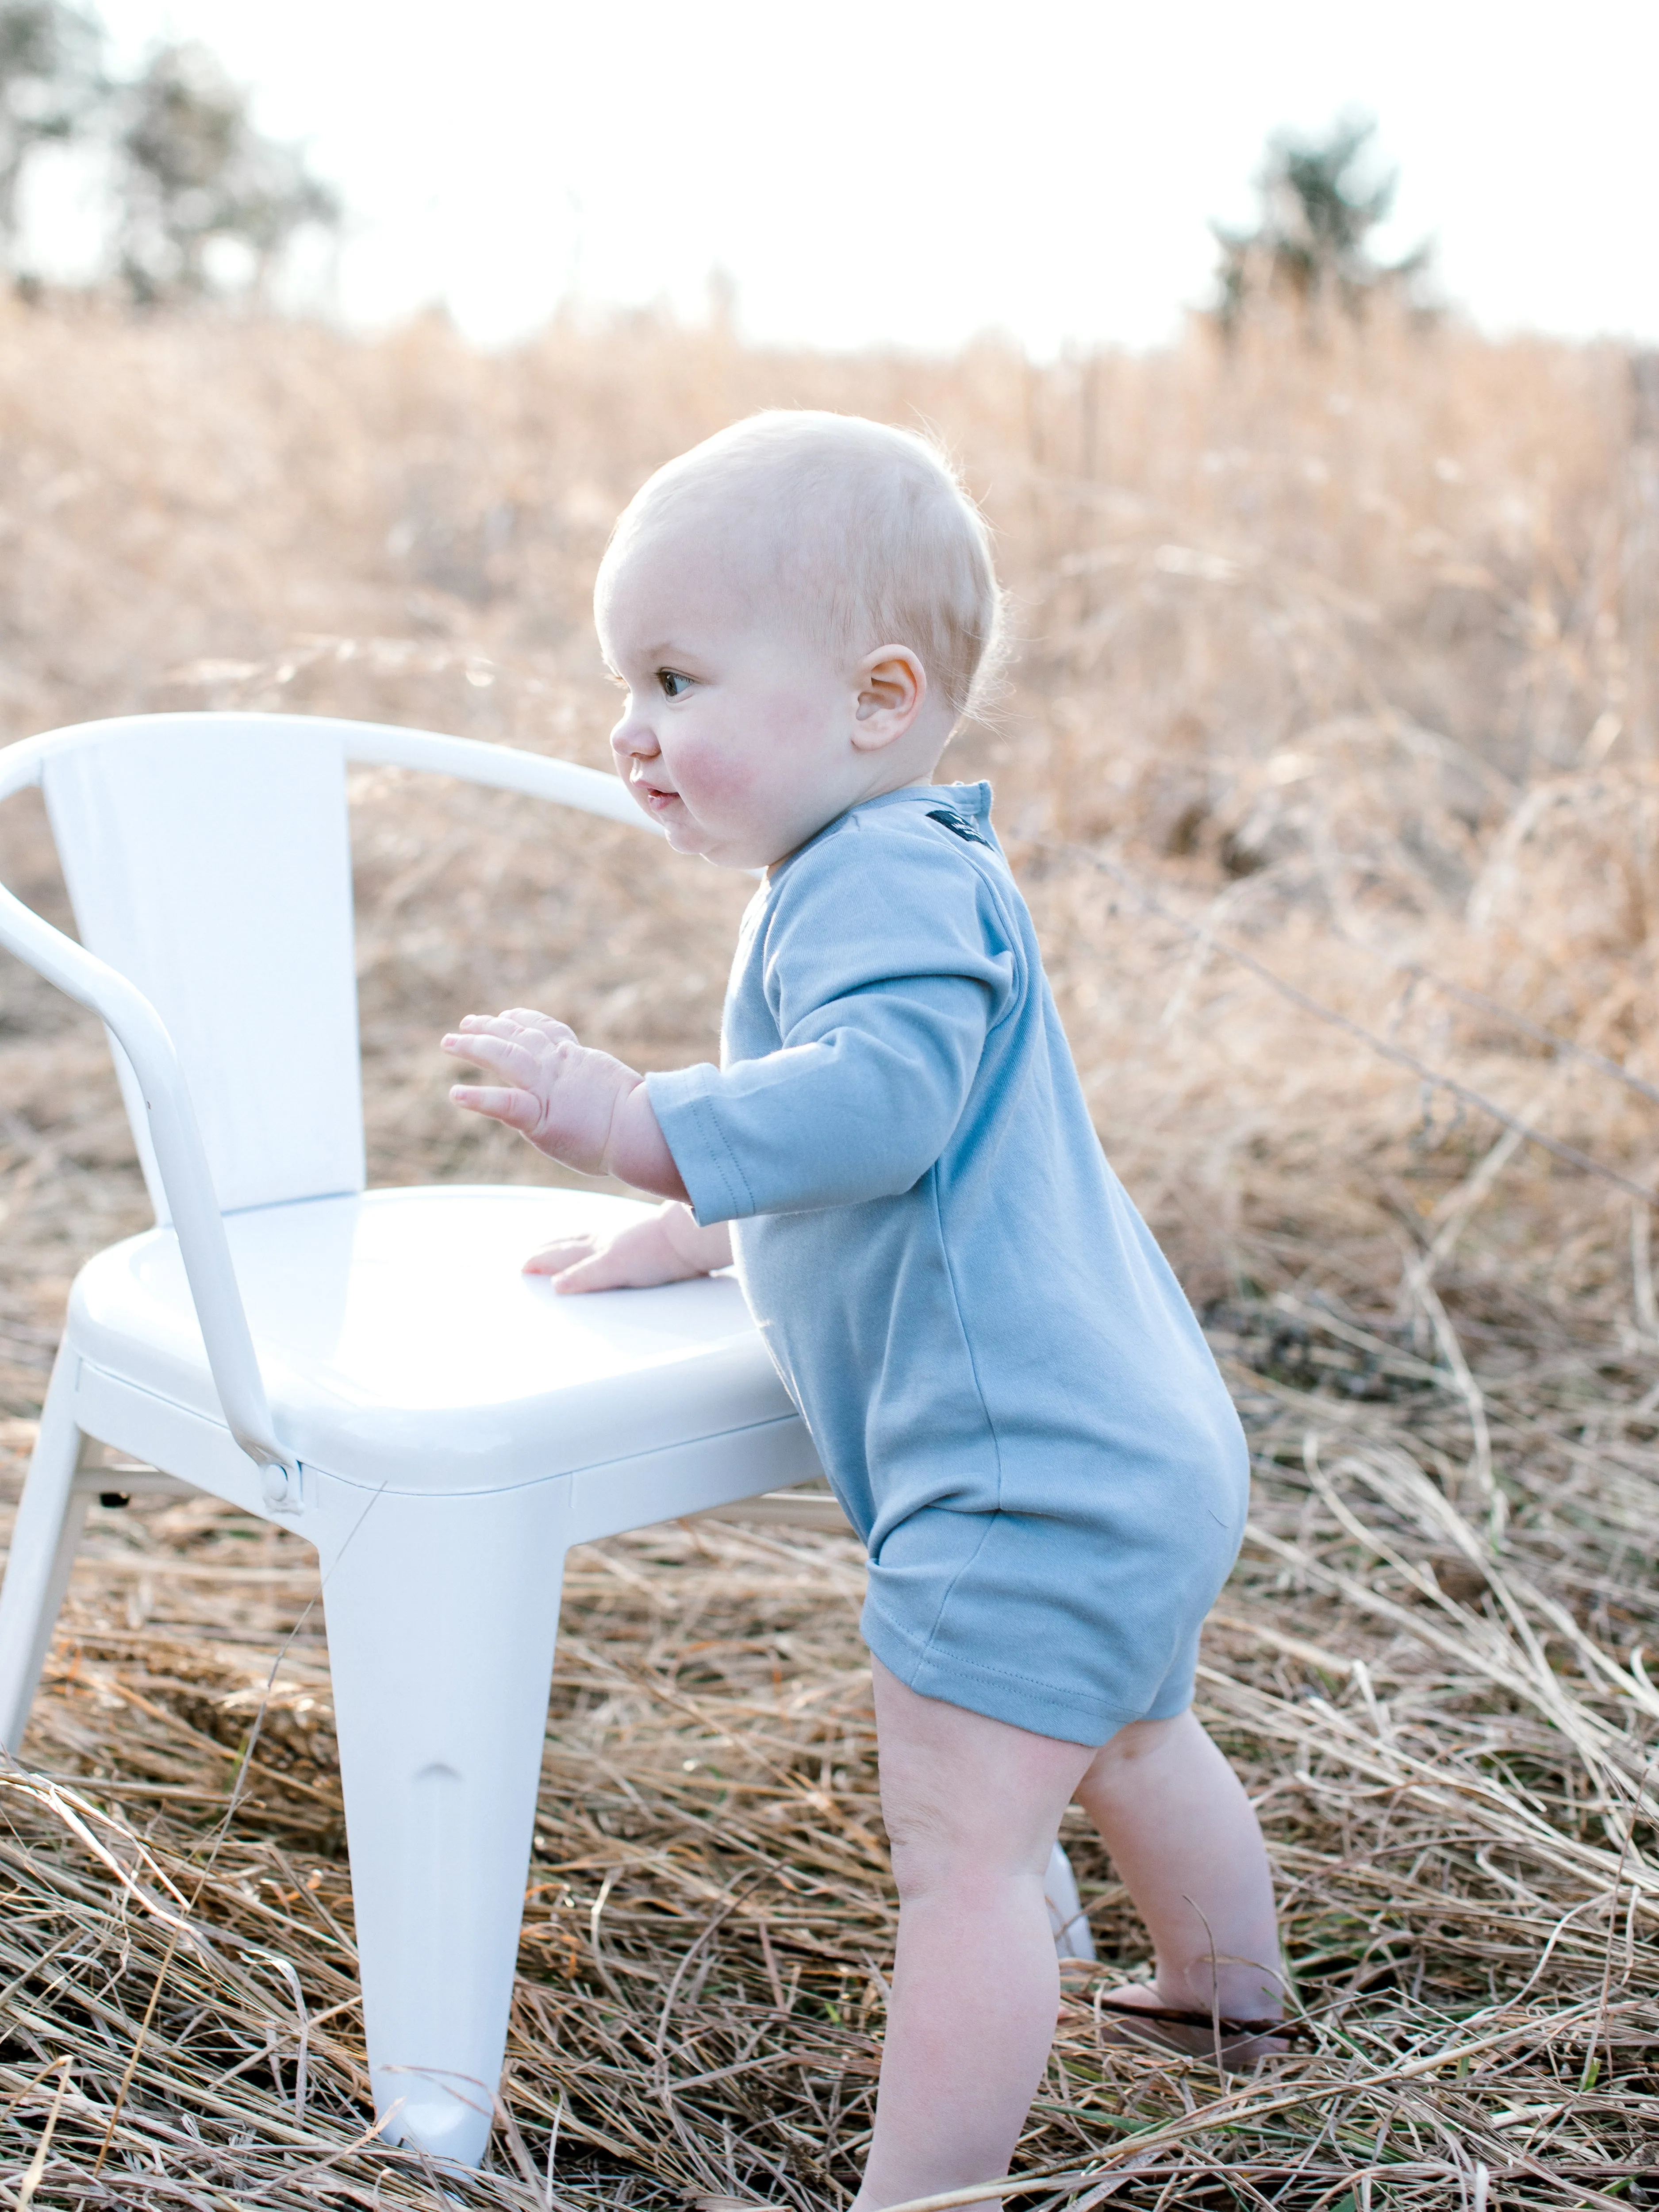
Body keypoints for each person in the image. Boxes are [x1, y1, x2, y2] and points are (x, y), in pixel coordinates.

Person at [441, 411, 1284, 2211]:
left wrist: (634, 1118)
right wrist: (711, 1233)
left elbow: (880, 1101)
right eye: (622, 681)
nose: (629, 726)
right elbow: (911, 1178)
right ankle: (1228, 2003)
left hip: (1019, 1475)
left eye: (674, 675)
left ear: (878, 696)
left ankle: (925, 2188)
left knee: (961, 1854)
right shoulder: (888, 871)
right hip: (1130, 1434)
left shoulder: (883, 879)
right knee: (1134, 1732)